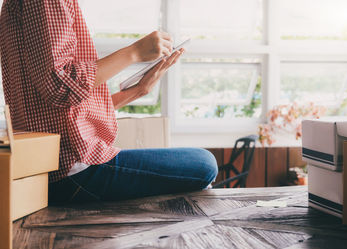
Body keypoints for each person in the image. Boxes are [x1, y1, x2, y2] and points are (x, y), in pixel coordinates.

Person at [0, 0, 218, 203]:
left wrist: (137, 92)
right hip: (73, 170)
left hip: (53, 167)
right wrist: (134, 52)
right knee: (205, 164)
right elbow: (62, 86)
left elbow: (60, 112)